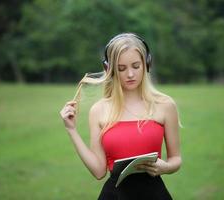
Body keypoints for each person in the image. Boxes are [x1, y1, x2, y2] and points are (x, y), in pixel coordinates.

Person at [59, 33, 182, 200]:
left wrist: (165, 167)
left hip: (154, 194)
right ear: (109, 69)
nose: (130, 74)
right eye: (121, 68)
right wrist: (71, 130)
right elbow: (98, 171)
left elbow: (176, 159)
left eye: (136, 66)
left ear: (147, 64)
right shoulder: (99, 110)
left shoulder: (165, 105)